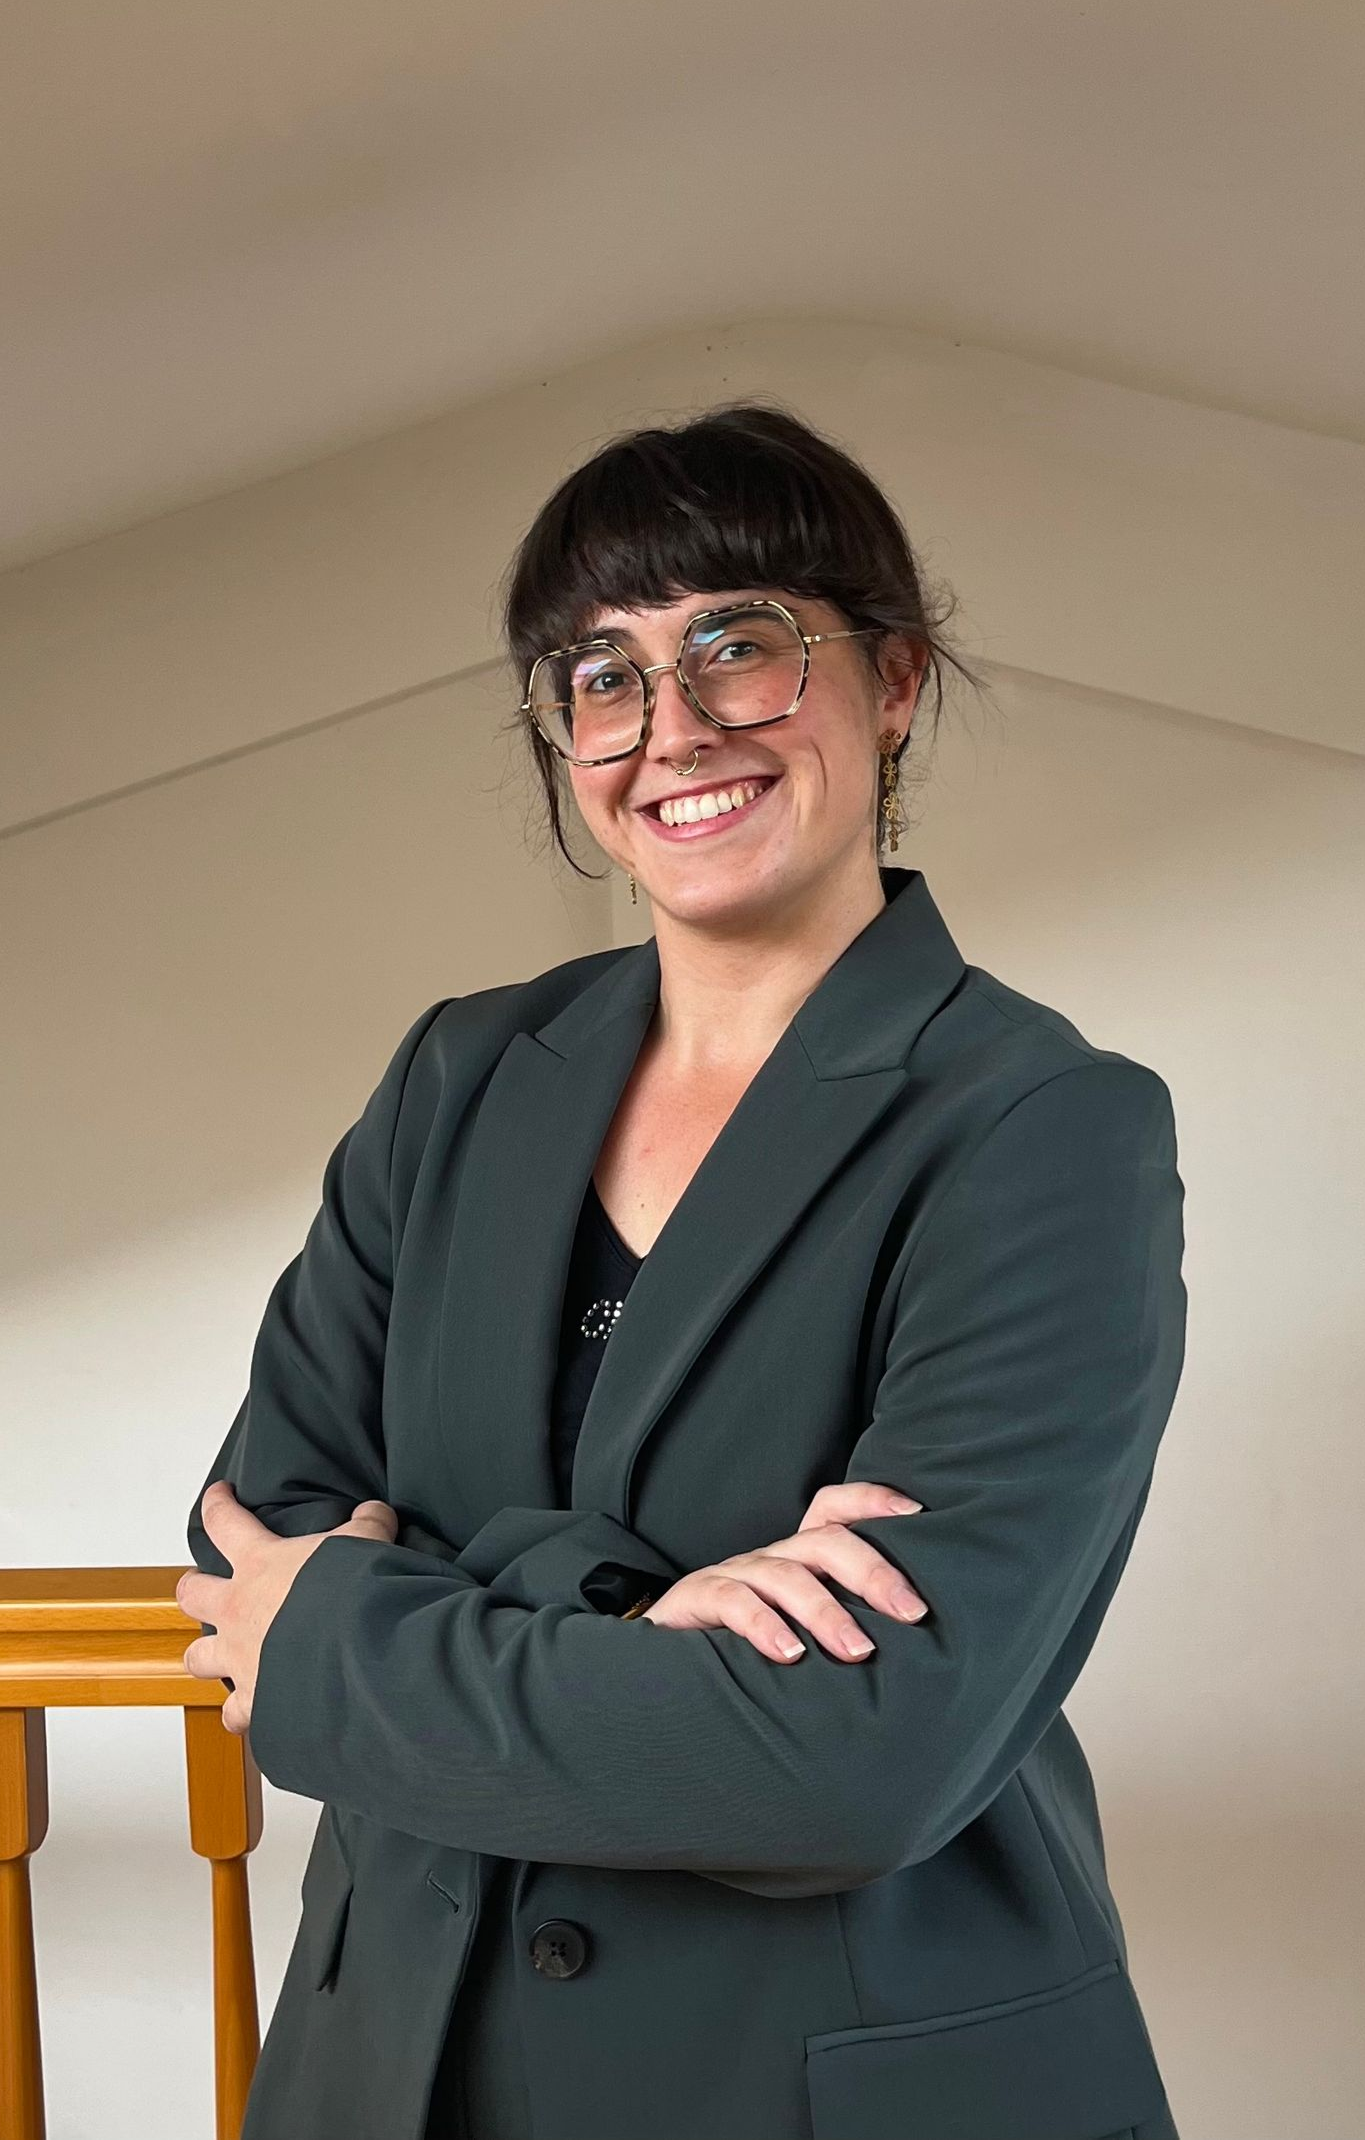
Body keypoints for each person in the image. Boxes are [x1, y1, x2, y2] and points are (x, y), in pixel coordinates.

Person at [180, 400, 1188, 2140]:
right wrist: (645, 1620)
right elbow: (242, 1573)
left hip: (823, 2083)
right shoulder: (457, 1077)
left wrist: (381, 1628)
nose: (672, 728)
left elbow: (859, 1755)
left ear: (892, 682)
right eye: (601, 675)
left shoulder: (1043, 1124)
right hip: (394, 2069)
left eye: (741, 645)